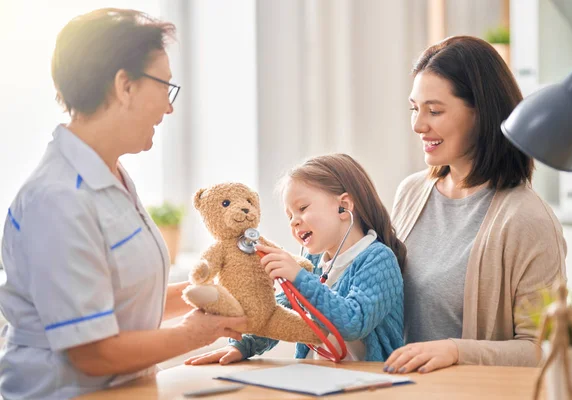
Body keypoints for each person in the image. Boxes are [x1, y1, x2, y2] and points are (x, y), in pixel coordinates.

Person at [0, 9, 245, 399]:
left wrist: (225, 290)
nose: (169, 107)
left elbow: (126, 302)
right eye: (165, 86)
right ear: (124, 85)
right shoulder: (57, 199)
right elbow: (92, 352)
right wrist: (197, 333)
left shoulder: (111, 177)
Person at [384, 36, 567, 375]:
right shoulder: (411, 192)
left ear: (481, 113)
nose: (418, 124)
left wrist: (456, 351)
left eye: (434, 110)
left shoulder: (528, 219)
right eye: (414, 108)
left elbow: (543, 349)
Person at [185, 153, 405, 365]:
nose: (293, 222)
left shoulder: (378, 260)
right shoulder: (312, 260)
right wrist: (241, 346)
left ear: (344, 206)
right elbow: (277, 313)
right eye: (289, 215)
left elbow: (353, 323)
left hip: (369, 384)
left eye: (302, 208)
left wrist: (299, 277)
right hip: (316, 378)